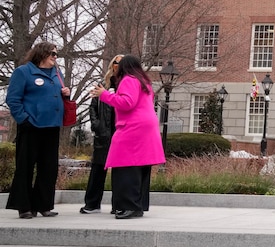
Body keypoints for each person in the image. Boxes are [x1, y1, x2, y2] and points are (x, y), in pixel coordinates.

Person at [89, 55, 165, 219]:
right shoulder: (144, 82)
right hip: (147, 126)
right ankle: (137, 205)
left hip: (133, 127)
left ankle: (128, 206)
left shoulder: (128, 80)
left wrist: (104, 95)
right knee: (140, 167)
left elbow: (127, 102)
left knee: (125, 166)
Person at [5, 42, 71, 219]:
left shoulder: (57, 73)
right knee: (25, 167)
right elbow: (13, 99)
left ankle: (43, 205)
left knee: (48, 168)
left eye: (56, 54)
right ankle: (24, 207)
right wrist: (23, 119)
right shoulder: (23, 72)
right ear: (42, 53)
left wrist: (66, 94)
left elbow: (56, 95)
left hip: (52, 127)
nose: (55, 57)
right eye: (53, 54)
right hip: (31, 126)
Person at [80, 55, 122, 214]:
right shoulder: (102, 85)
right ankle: (92, 204)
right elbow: (93, 107)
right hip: (103, 133)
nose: (119, 65)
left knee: (119, 171)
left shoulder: (125, 85)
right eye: (117, 62)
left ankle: (118, 205)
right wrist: (96, 125)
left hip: (120, 132)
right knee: (97, 169)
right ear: (113, 65)